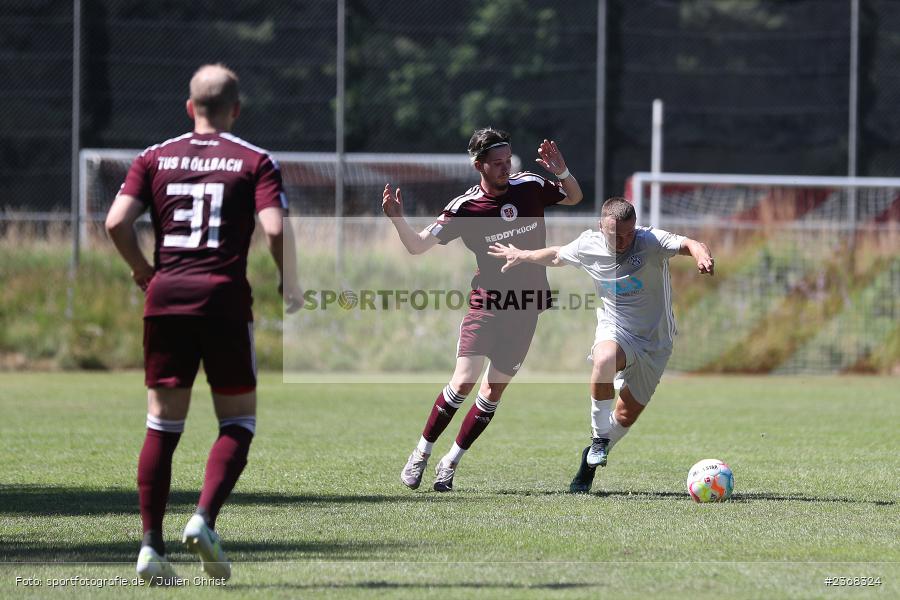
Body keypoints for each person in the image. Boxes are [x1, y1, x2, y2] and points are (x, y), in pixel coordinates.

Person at [105, 64, 302, 584]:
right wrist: (289, 281)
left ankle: (150, 546)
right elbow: (276, 229)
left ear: (189, 107)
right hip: (222, 299)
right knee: (237, 422)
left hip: (165, 296)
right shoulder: (255, 160)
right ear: (236, 110)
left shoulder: (152, 158)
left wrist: (143, 270)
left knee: (162, 425)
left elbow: (115, 222)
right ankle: (203, 519)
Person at [382, 128, 583, 492]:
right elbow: (416, 246)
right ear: (479, 166)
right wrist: (398, 219)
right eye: (497, 163)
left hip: (527, 307)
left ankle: (450, 462)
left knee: (492, 393)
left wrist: (562, 171)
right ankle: (421, 454)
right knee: (463, 381)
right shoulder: (465, 208)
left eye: (508, 161)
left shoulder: (531, 185)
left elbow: (574, 197)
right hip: (487, 303)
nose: (506, 168)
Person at [488, 197, 714, 493]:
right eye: (615, 235)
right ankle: (598, 438)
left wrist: (702, 257)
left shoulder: (650, 241)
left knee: (624, 415)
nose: (623, 241)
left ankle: (590, 461)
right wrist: (523, 254)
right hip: (616, 329)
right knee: (604, 358)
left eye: (628, 234)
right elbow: (557, 255)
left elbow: (691, 244)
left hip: (656, 342)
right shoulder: (588, 245)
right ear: (600, 227)